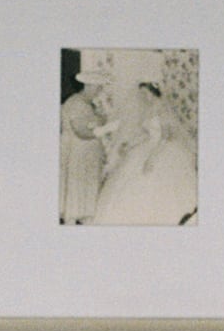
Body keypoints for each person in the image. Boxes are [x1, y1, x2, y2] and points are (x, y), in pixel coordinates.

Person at [91, 81, 198, 226]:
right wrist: (131, 145)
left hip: (162, 149)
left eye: (145, 93)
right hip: (147, 147)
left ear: (153, 92)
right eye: (141, 94)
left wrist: (152, 159)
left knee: (153, 182)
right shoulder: (147, 109)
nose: (142, 97)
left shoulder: (163, 110)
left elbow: (166, 137)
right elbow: (147, 135)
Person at [58, 79, 108, 223]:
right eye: (97, 88)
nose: (99, 92)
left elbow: (98, 121)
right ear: (88, 85)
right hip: (78, 153)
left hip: (87, 154)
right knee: (76, 192)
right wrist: (104, 130)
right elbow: (81, 132)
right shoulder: (75, 103)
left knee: (86, 191)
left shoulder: (88, 104)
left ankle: (85, 220)